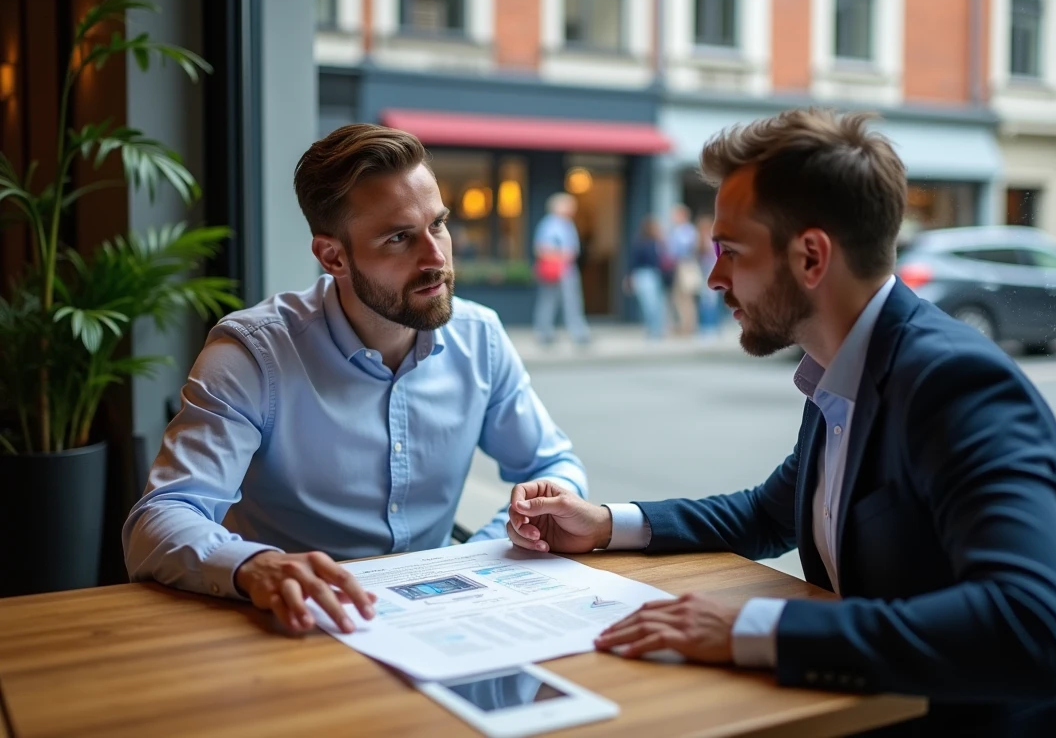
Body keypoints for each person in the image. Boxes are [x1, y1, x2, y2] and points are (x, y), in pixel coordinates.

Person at [503, 109, 1056, 737]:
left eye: (731, 251)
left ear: (810, 257)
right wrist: (606, 524)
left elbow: (1032, 629)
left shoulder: (956, 384)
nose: (714, 277)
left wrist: (750, 629)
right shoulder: (843, 364)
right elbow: (768, 514)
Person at [123, 124, 588, 636]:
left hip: (442, 620)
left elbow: (553, 465)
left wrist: (488, 548)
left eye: (438, 225)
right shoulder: (252, 355)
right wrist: (252, 566)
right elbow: (159, 519)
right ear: (333, 257)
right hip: (298, 629)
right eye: (399, 238)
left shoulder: (480, 338)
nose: (436, 258)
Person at [532, 193, 590, 346]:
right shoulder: (549, 225)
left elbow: (574, 249)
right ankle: (545, 333)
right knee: (549, 301)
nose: (571, 209)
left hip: (566, 270)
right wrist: (560, 256)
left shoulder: (567, 224)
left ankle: (577, 333)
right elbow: (541, 249)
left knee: (571, 302)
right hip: (555, 270)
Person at [625, 216, 668, 340]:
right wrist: (630, 277)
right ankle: (652, 330)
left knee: (657, 304)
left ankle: (656, 330)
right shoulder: (641, 243)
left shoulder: (657, 243)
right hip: (644, 275)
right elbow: (633, 261)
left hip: (655, 275)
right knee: (649, 304)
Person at [665, 204, 701, 336]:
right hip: (677, 267)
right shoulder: (677, 230)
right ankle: (683, 326)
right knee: (677, 298)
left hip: (684, 266)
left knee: (686, 298)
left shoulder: (687, 231)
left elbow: (684, 249)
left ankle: (688, 327)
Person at [695, 214, 721, 338]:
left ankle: (711, 328)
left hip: (711, 271)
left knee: (711, 301)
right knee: (705, 301)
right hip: (703, 272)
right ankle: (706, 327)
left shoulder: (713, 239)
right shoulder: (700, 239)